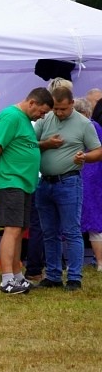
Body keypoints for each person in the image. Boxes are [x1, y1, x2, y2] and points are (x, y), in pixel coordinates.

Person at [0, 87, 54, 295]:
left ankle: (17, 275)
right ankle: (7, 279)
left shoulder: (23, 120)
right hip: (9, 181)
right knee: (12, 229)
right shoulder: (11, 117)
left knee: (19, 230)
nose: (42, 116)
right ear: (31, 103)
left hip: (22, 183)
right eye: (41, 111)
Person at [33, 86, 102, 290]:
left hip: (69, 182)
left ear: (72, 104)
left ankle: (74, 277)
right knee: (49, 232)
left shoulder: (84, 124)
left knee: (71, 231)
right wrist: (46, 144)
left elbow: (98, 151)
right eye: (56, 109)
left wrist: (85, 157)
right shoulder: (45, 119)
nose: (59, 113)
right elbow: (29, 142)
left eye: (63, 109)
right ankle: (53, 275)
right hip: (44, 182)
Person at [83, 99, 102, 270]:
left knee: (93, 221)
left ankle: (100, 262)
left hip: (87, 176)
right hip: (95, 176)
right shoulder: (96, 127)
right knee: (95, 221)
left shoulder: (87, 127)